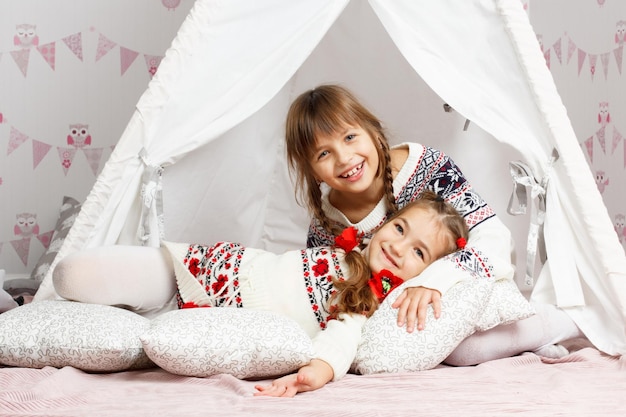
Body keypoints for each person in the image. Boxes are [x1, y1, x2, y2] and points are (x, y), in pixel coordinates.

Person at [53, 191, 469, 397]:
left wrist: (315, 374)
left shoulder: (368, 297)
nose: (398, 246)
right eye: (399, 229)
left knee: (137, 329)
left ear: (428, 271)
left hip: (217, 315)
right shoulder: (350, 245)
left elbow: (343, 338)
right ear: (383, 223)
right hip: (209, 268)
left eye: (418, 251)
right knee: (73, 276)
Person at [285, 84, 583, 364]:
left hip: (458, 287)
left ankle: (567, 323)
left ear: (372, 131)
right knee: (428, 346)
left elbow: (492, 236)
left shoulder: (428, 167)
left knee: (461, 350)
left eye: (350, 137)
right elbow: (331, 296)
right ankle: (527, 340)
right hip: (403, 315)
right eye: (324, 153)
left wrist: (435, 282)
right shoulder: (325, 228)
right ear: (312, 171)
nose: (344, 158)